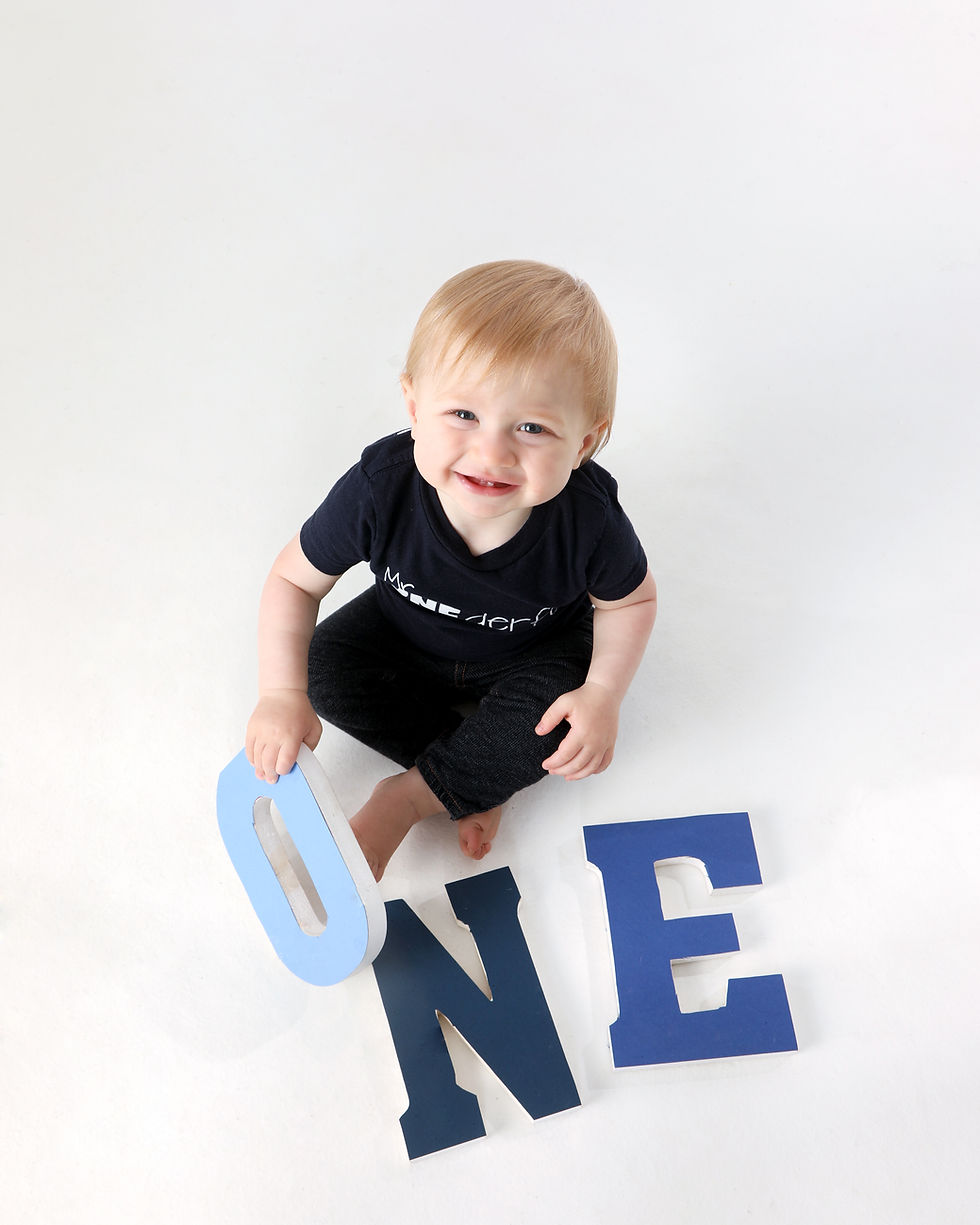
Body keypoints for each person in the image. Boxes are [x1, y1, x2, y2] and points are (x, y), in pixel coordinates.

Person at [245, 260, 657, 881]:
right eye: (463, 415)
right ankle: (470, 777)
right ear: (413, 406)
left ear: (583, 444)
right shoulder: (381, 488)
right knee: (320, 666)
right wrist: (280, 695)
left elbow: (628, 603)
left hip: (534, 652)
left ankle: (407, 798)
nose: (492, 452)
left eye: (532, 428)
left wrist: (603, 693)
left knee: (557, 729)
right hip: (402, 636)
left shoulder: (586, 519)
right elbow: (293, 581)